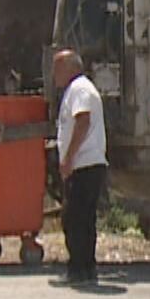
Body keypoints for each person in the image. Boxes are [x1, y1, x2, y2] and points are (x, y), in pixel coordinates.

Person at [51, 48, 107, 286]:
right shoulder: (76, 90)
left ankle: (78, 268)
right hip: (86, 163)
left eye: (57, 68)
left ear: (72, 68)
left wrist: (68, 158)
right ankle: (86, 267)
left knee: (74, 218)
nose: (54, 74)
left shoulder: (80, 89)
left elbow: (82, 122)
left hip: (84, 164)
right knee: (82, 218)